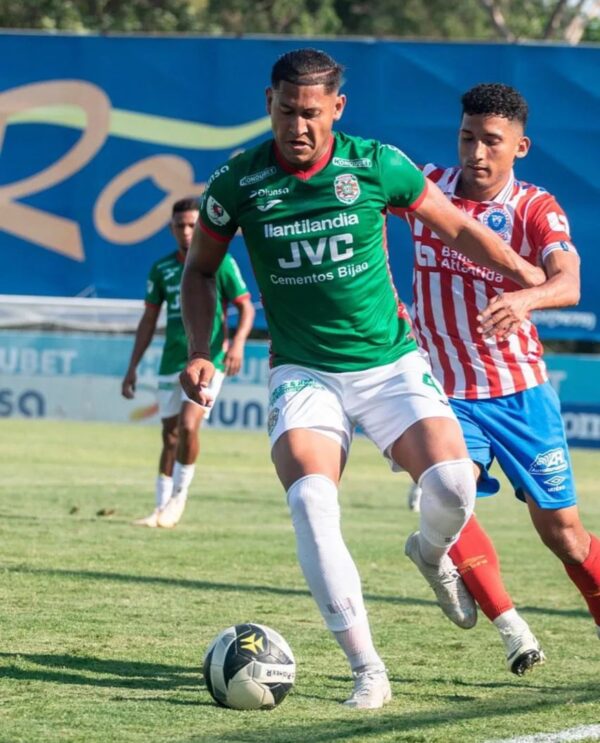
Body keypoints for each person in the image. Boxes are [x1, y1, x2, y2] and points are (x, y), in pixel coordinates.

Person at [178, 49, 545, 710]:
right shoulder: (237, 181)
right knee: (311, 503)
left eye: (312, 113)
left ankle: (431, 553)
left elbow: (457, 225)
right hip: (303, 371)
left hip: (390, 364)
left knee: (455, 484)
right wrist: (202, 350)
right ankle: (367, 667)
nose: (298, 126)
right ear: (269, 103)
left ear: (337, 109)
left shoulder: (377, 164)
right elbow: (200, 269)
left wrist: (525, 275)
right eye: (287, 111)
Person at [402, 82, 600, 673]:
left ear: (521, 146)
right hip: (445, 391)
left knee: (564, 534)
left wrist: (528, 300)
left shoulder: (536, 207)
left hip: (521, 393)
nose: (477, 153)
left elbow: (569, 283)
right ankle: (513, 629)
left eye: (492, 141)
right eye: (468, 137)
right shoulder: (425, 187)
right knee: (449, 493)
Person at [122, 197, 255, 528]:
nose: (186, 231)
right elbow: (149, 320)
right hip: (171, 361)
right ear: (171, 228)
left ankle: (179, 499)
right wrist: (132, 366)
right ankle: (160, 507)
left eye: (193, 225)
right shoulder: (162, 268)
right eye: (180, 225)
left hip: (209, 359)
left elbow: (246, 307)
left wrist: (237, 344)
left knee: (188, 425)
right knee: (169, 436)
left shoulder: (220, 264)